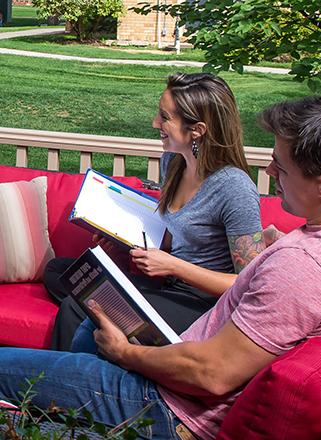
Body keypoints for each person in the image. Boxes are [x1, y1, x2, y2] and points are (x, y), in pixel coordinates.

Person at [0, 96, 321, 439]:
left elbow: (211, 374)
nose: (273, 173)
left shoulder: (303, 268)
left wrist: (125, 354)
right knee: (87, 317)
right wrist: (283, 247)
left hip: (173, 408)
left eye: (281, 168)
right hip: (183, 365)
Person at [46, 73, 272, 351]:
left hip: (201, 303)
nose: (155, 123)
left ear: (197, 129)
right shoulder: (173, 162)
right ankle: (131, 328)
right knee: (62, 273)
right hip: (167, 284)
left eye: (165, 117)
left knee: (77, 305)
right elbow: (178, 235)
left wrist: (173, 265)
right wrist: (120, 239)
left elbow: (248, 283)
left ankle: (62, 387)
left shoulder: (234, 188)